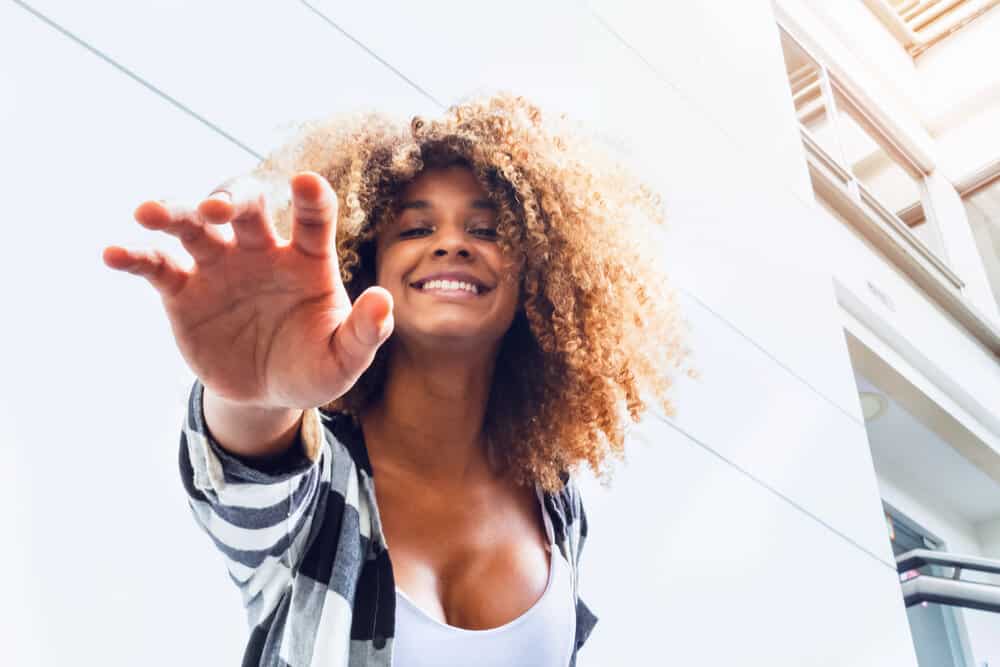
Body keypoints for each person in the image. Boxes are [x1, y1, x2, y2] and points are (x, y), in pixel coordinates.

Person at [102, 93, 693, 666]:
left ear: (537, 281)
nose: (452, 244)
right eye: (415, 229)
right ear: (363, 266)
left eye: (486, 231)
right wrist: (255, 397)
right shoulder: (320, 481)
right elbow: (245, 476)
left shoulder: (553, 499)